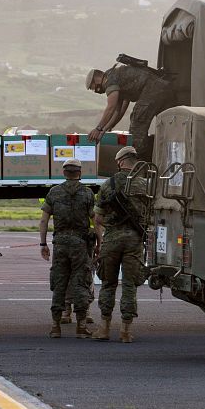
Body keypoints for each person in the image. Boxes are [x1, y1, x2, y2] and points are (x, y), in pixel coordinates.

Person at [93, 146, 147, 342]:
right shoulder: (144, 185)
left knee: (108, 283)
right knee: (130, 285)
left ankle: (104, 329)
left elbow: (98, 218)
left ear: (121, 161)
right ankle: (126, 331)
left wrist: (113, 224)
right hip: (134, 240)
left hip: (112, 239)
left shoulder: (109, 184)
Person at [40, 158, 98, 339]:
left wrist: (43, 244)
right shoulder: (88, 194)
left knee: (59, 283)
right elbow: (95, 221)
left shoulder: (54, 192)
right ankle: (81, 326)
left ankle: (55, 326)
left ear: (64, 172)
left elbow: (44, 221)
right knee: (80, 282)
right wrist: (99, 243)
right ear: (80, 173)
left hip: (60, 244)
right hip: (80, 244)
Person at [85, 65, 175, 162]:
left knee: (137, 125)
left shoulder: (110, 80)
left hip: (153, 90)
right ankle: (157, 155)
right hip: (163, 88)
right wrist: (105, 130)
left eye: (92, 87)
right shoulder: (115, 76)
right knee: (168, 126)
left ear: (96, 80)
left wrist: (98, 129)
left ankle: (141, 163)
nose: (94, 91)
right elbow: (118, 110)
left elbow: (111, 107)